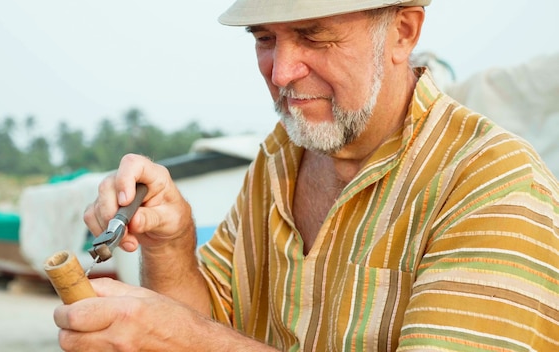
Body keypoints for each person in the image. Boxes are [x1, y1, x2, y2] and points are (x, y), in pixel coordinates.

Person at [53, 0, 559, 350]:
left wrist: (187, 342)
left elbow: (195, 337)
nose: (280, 72)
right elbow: (210, 322)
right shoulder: (278, 160)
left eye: (313, 36)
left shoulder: (493, 183)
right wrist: (171, 245)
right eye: (266, 39)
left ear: (403, 32)